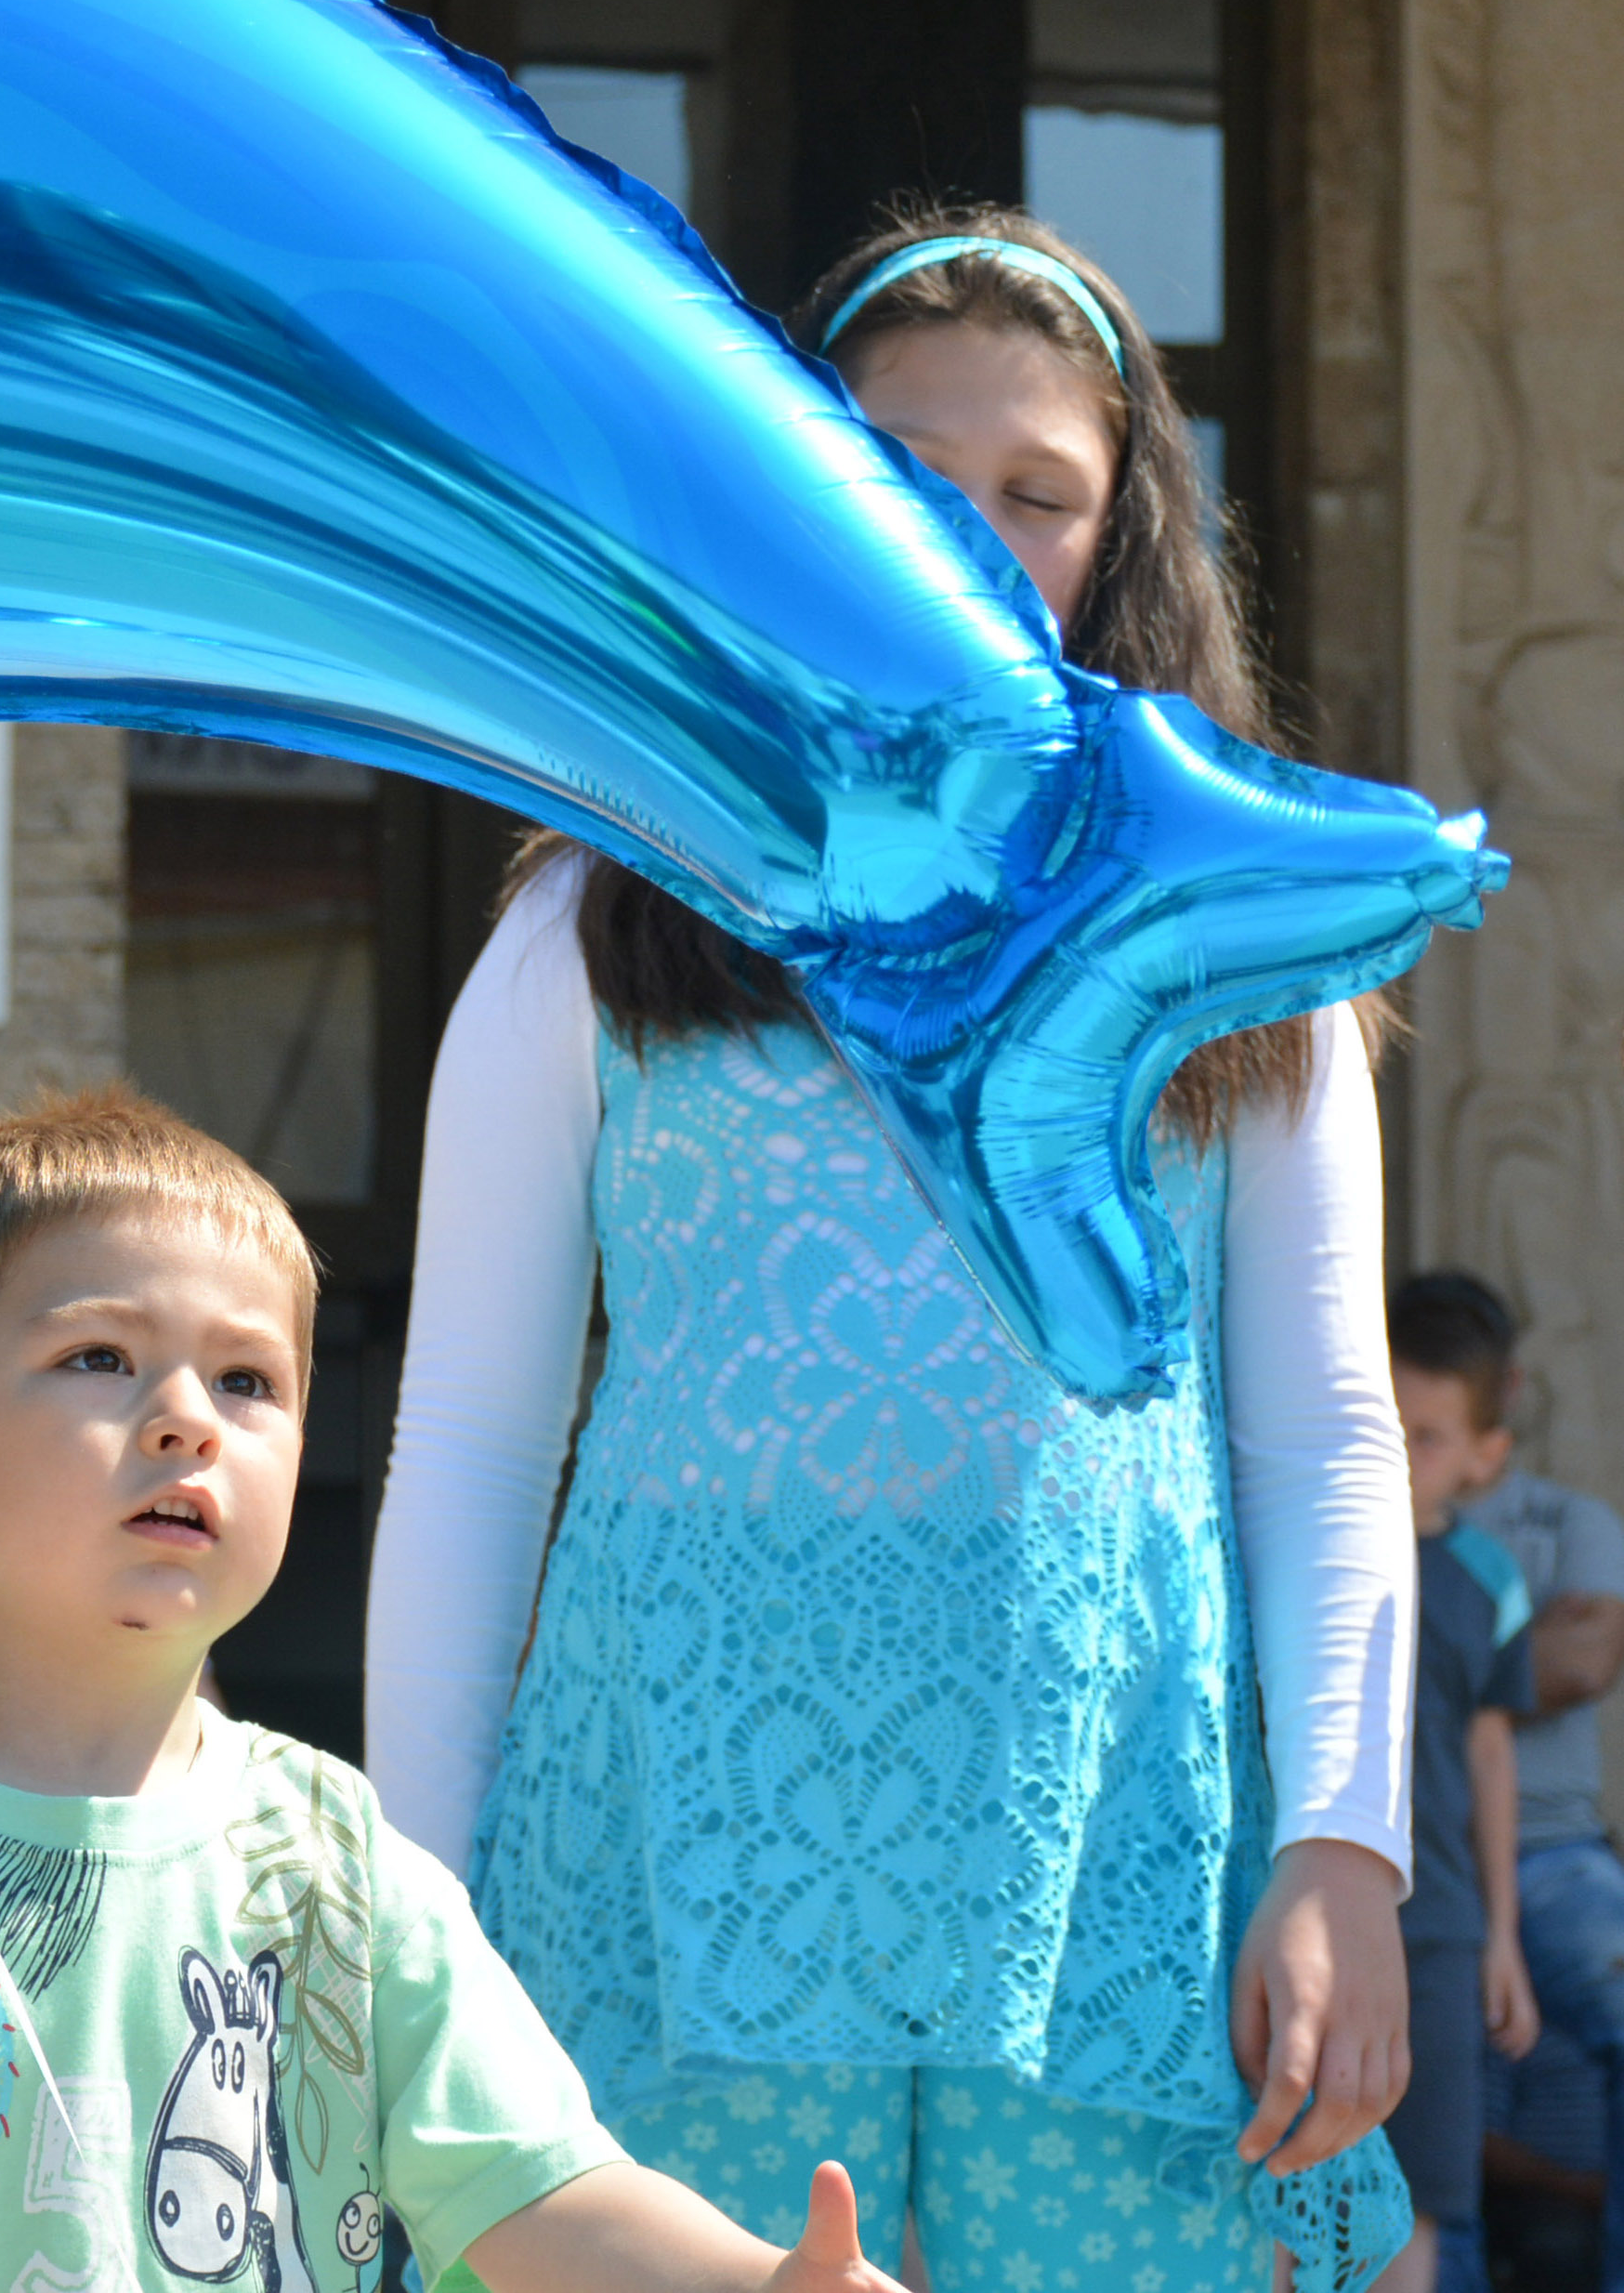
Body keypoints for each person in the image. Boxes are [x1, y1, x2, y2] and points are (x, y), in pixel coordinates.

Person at [368, 203, 1418, 2291]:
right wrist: (412, 1910)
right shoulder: (594, 915)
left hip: (1108, 1849)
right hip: (671, 1864)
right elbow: (475, 1441)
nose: (968, 527)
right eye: (901, 471)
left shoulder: (1242, 960)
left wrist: (1343, 1844)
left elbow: (1323, 1437)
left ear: (1117, 548)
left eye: (1037, 493)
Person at [0, 1087, 909, 2293]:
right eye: (100, 1356)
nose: (188, 1415)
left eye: (249, 1379)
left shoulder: (337, 1859)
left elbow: (535, 2187)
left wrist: (752, 2283)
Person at [1423, 1272, 1624, 2292]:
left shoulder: (1564, 1518)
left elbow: (1587, 1658)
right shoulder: (1364, 1527)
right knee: (1427, 2106)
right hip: (1425, 1854)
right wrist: (1502, 1661)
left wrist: (1438, 1668)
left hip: (1552, 1850)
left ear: (1501, 1395)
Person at [1382, 1288, 1541, 2292]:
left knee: (1420, 2196)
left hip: (1436, 1933)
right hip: (1283, 1912)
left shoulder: (1487, 1582)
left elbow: (1490, 1760)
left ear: (1485, 1453)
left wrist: (1502, 1938)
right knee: (1270, 2175)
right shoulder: (1288, 1551)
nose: (1396, 1455)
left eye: (1426, 1438)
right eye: (1380, 1422)